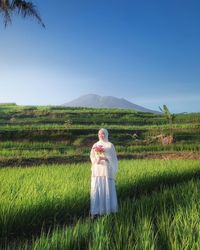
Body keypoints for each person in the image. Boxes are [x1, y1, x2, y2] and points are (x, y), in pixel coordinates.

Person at [90, 128, 118, 218]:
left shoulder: (110, 145)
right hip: (97, 169)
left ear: (106, 134)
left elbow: (113, 158)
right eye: (99, 134)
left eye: (103, 134)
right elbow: (92, 156)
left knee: (107, 188)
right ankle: (96, 211)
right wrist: (96, 160)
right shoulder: (95, 145)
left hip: (106, 170)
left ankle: (108, 210)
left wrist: (104, 158)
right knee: (97, 189)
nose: (101, 135)